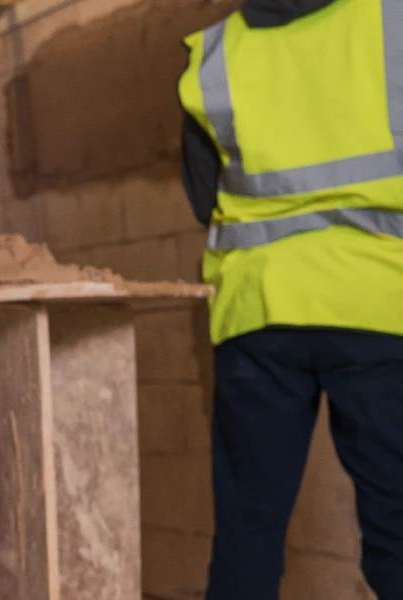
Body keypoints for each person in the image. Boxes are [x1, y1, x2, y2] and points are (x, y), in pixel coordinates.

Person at [177, 0, 403, 596]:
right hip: (380, 304)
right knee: (398, 531)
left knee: (247, 535)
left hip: (259, 312)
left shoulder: (215, 55)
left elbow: (205, 201)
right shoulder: (390, 22)